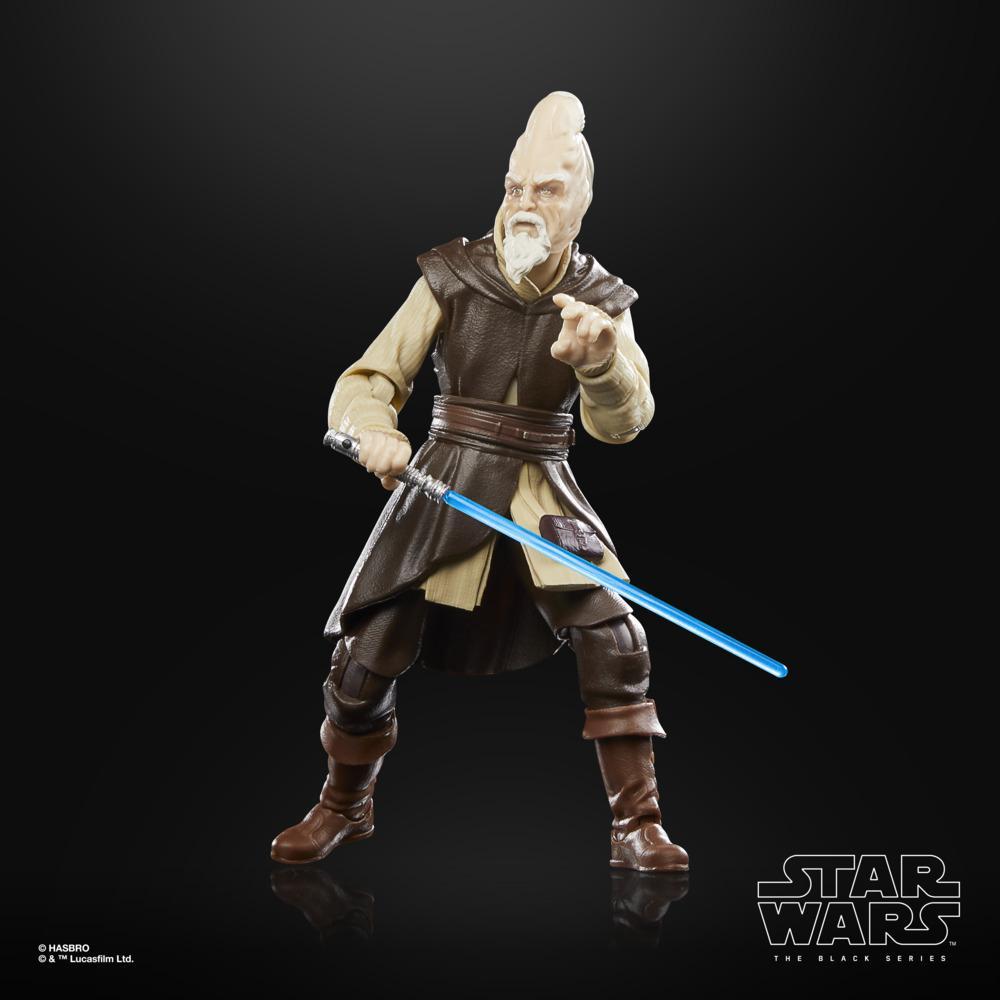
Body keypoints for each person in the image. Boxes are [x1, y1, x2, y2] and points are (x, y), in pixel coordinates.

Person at [271, 92, 689, 873]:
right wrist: (375, 431)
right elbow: (370, 377)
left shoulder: (603, 302)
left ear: (579, 204)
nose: (526, 203)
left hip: (542, 486)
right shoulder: (451, 277)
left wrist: (600, 364)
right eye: (515, 186)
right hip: (445, 478)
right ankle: (344, 805)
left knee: (616, 639)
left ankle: (638, 824)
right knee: (367, 651)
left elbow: (622, 424)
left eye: (548, 189)